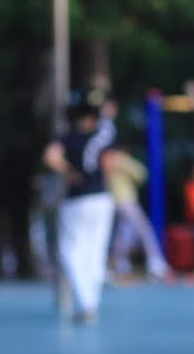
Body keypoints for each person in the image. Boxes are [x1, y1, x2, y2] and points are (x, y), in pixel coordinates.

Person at [42, 90, 118, 324]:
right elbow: (111, 163)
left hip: (77, 200)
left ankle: (86, 303)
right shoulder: (105, 136)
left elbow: (50, 157)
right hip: (103, 199)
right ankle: (91, 302)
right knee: (95, 253)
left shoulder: (68, 136)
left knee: (69, 252)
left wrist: (69, 171)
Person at [103, 146, 166, 280]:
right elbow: (142, 173)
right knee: (144, 230)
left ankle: (118, 265)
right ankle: (155, 263)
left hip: (112, 201)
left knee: (122, 234)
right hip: (126, 200)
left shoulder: (104, 161)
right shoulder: (120, 159)